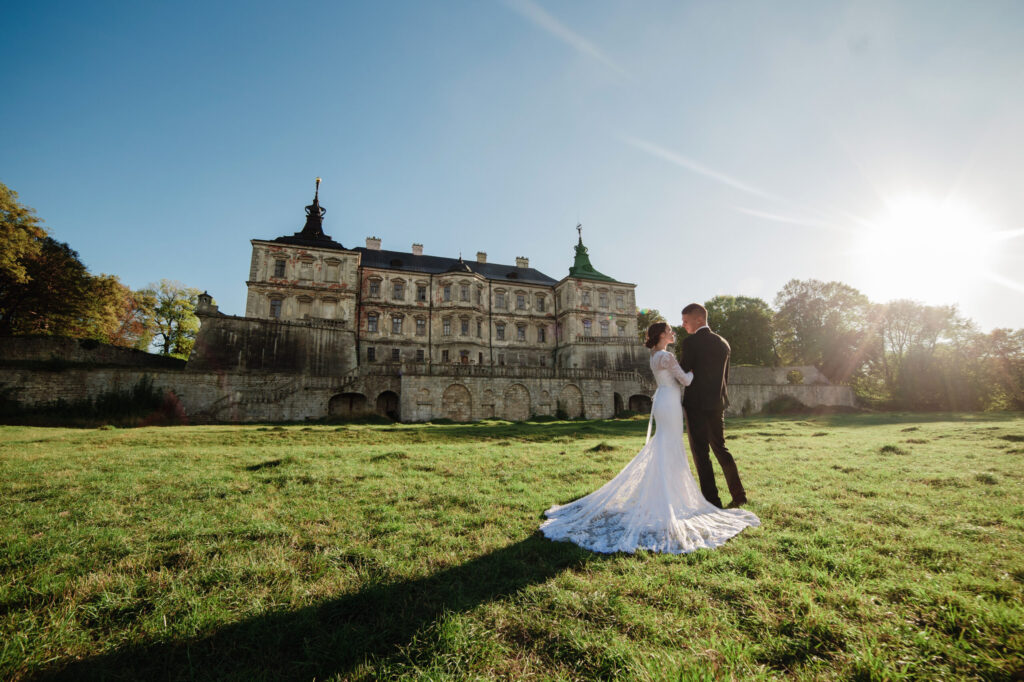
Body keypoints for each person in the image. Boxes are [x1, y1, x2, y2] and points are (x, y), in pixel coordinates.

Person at [540, 322, 759, 554]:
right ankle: (669, 497)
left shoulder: (655, 355)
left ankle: (667, 494)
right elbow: (685, 380)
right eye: (670, 331)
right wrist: (695, 372)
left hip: (663, 400)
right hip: (670, 402)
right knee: (670, 445)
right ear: (661, 335)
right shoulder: (666, 356)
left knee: (664, 444)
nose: (674, 333)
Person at [680, 303, 747, 508]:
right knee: (720, 448)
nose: (683, 325)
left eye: (685, 321)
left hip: (696, 405)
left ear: (699, 319)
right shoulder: (723, 343)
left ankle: (712, 501)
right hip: (718, 403)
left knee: (701, 454)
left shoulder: (691, 342)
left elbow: (682, 371)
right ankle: (739, 496)